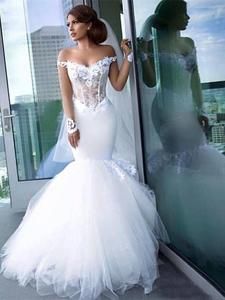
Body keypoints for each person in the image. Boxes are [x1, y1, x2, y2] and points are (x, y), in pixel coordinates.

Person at [0, 5, 169, 300]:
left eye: (75, 22)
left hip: (105, 118)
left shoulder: (106, 52)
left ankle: (114, 250)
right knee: (84, 172)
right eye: (68, 24)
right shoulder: (64, 56)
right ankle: (82, 251)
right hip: (81, 119)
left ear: (90, 24)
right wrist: (71, 124)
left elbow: (117, 85)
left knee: (103, 171)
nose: (70, 28)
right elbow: (66, 94)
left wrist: (128, 57)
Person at [138, 0, 225, 268]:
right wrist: (142, 56)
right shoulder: (152, 44)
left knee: (197, 158)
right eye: (183, 13)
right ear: (170, 17)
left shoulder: (189, 43)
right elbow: (151, 82)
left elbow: (195, 79)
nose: (187, 18)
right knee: (179, 162)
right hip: (165, 110)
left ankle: (202, 220)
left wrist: (200, 109)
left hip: (188, 107)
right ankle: (183, 232)